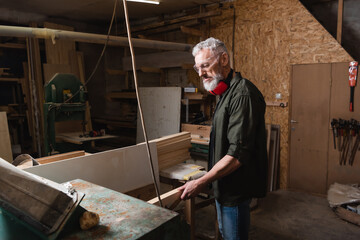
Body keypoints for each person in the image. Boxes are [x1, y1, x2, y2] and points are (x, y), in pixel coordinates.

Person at [178, 37, 268, 240]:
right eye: (197, 67)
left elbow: (237, 154)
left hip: (234, 190)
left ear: (224, 59)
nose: (200, 73)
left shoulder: (242, 94)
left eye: (205, 65)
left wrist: (202, 181)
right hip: (223, 185)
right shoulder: (225, 92)